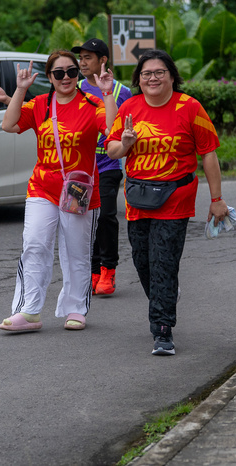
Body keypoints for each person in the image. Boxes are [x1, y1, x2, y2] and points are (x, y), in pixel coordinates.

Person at [106, 49, 228, 356]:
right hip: (138, 198)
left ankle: (162, 330)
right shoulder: (130, 107)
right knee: (143, 262)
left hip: (175, 197)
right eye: (146, 74)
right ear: (138, 79)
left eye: (159, 72)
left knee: (163, 262)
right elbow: (112, 150)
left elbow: (208, 154)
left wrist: (217, 199)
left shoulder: (190, 107)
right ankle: (166, 293)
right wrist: (126, 144)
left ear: (172, 76)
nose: (153, 78)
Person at [0, 51, 117, 332]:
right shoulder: (40, 103)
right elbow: (8, 125)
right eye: (59, 73)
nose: (66, 78)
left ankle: (76, 309)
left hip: (78, 191)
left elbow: (112, 129)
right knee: (34, 245)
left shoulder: (92, 104)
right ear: (49, 77)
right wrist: (21, 89)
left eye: (71, 72)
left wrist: (108, 93)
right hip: (43, 187)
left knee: (76, 252)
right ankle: (28, 311)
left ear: (78, 74)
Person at [71, 38, 132, 296]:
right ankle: (93, 270)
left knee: (106, 216)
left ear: (103, 60)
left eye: (88, 58)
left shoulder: (122, 92)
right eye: (80, 58)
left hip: (107, 165)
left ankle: (108, 269)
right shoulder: (74, 89)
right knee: (84, 219)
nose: (82, 63)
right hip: (79, 169)